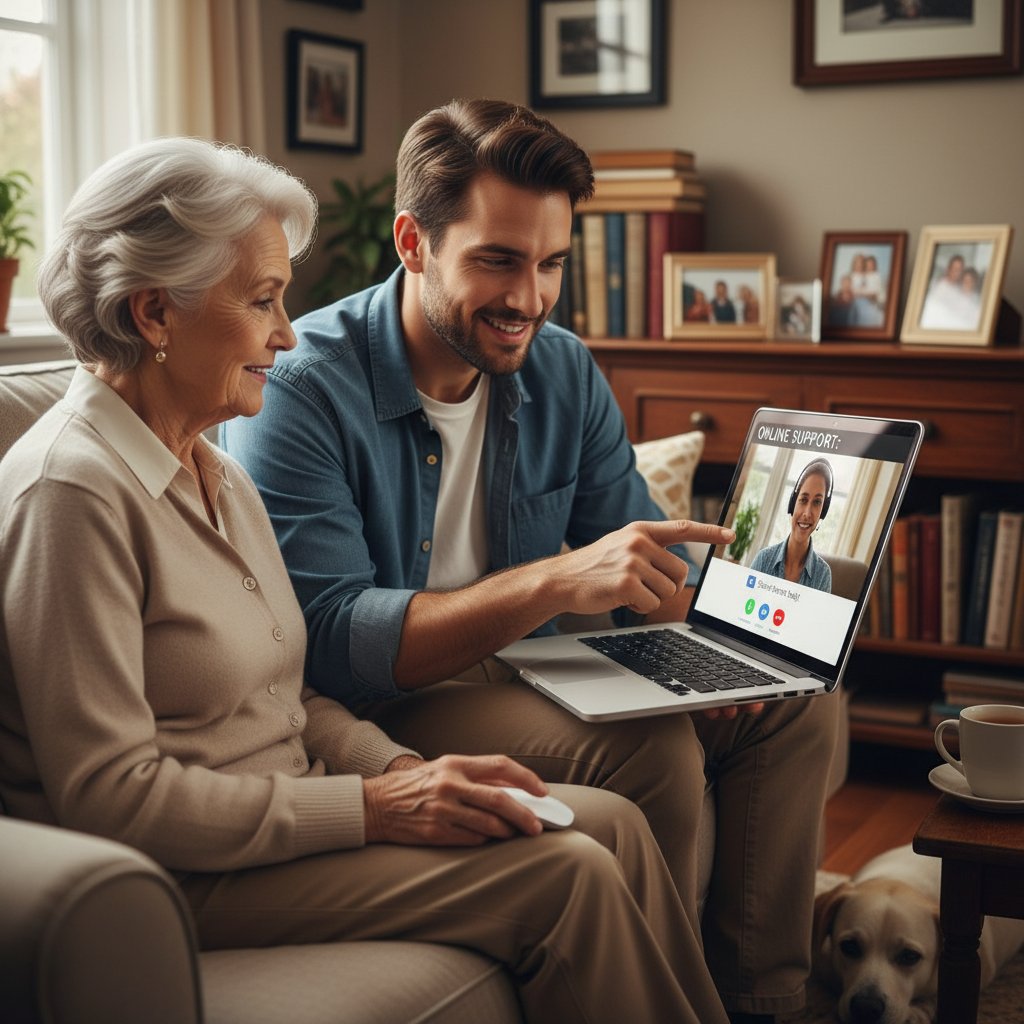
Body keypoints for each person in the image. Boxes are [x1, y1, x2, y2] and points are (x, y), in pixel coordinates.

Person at [0, 137, 733, 1024]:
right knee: (568, 870)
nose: (284, 330)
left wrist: (408, 769)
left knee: (603, 824)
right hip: (178, 873)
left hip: (294, 802)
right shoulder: (70, 495)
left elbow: (289, 693)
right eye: (264, 300)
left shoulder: (210, 471)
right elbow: (114, 800)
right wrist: (374, 806)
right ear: (155, 314)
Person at [224, 99, 840, 1024]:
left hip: (533, 667)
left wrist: (740, 633)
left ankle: (764, 1003)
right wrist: (557, 579)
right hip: (382, 697)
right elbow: (331, 641)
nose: (529, 298)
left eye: (551, 263)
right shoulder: (303, 385)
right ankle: (652, 996)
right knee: (655, 750)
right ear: (414, 241)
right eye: (498, 260)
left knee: (800, 703)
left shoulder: (560, 369)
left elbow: (642, 570)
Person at [749, 460, 834, 593]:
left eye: (817, 502)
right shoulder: (763, 559)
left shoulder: (823, 575)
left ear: (822, 512)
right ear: (793, 504)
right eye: (803, 500)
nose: (807, 513)